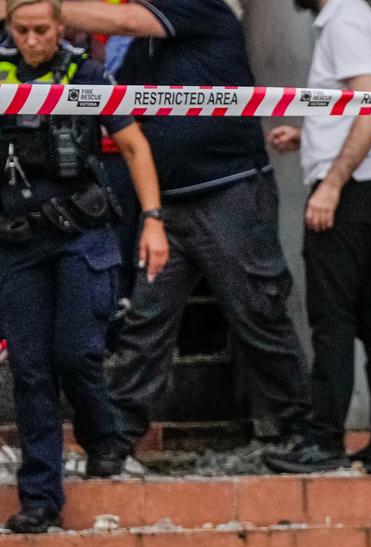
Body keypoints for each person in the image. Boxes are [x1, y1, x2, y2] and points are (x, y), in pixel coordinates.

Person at [45, 0, 311, 462]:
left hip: (227, 192)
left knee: (258, 313)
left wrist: (38, 9)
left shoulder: (199, 7)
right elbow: (114, 106)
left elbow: (123, 19)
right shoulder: (141, 52)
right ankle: (114, 442)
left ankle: (304, 431)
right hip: (166, 209)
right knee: (145, 322)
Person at [0, 0, 168, 533]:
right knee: (29, 371)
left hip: (79, 233)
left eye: (41, 30)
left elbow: (134, 146)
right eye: (21, 30)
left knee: (76, 353)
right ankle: (41, 497)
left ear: (60, 28)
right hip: (17, 244)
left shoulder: (88, 73)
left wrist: (154, 219)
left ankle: (104, 438)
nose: (32, 40)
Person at [263, 0, 371, 474]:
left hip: (353, 190)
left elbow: (369, 109)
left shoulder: (344, 23)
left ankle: (324, 441)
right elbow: (354, 106)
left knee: (332, 319)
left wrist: (332, 183)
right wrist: (310, 135)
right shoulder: (359, 19)